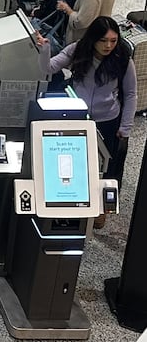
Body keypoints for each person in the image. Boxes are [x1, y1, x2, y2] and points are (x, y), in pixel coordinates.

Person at [45, 17, 135, 223]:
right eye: (104, 40)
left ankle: (102, 209)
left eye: (113, 40)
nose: (109, 46)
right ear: (93, 39)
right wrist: (44, 48)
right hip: (79, 116)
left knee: (107, 166)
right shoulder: (78, 50)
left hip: (108, 119)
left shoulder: (122, 59)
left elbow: (131, 94)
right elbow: (48, 68)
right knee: (76, 161)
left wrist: (126, 127)